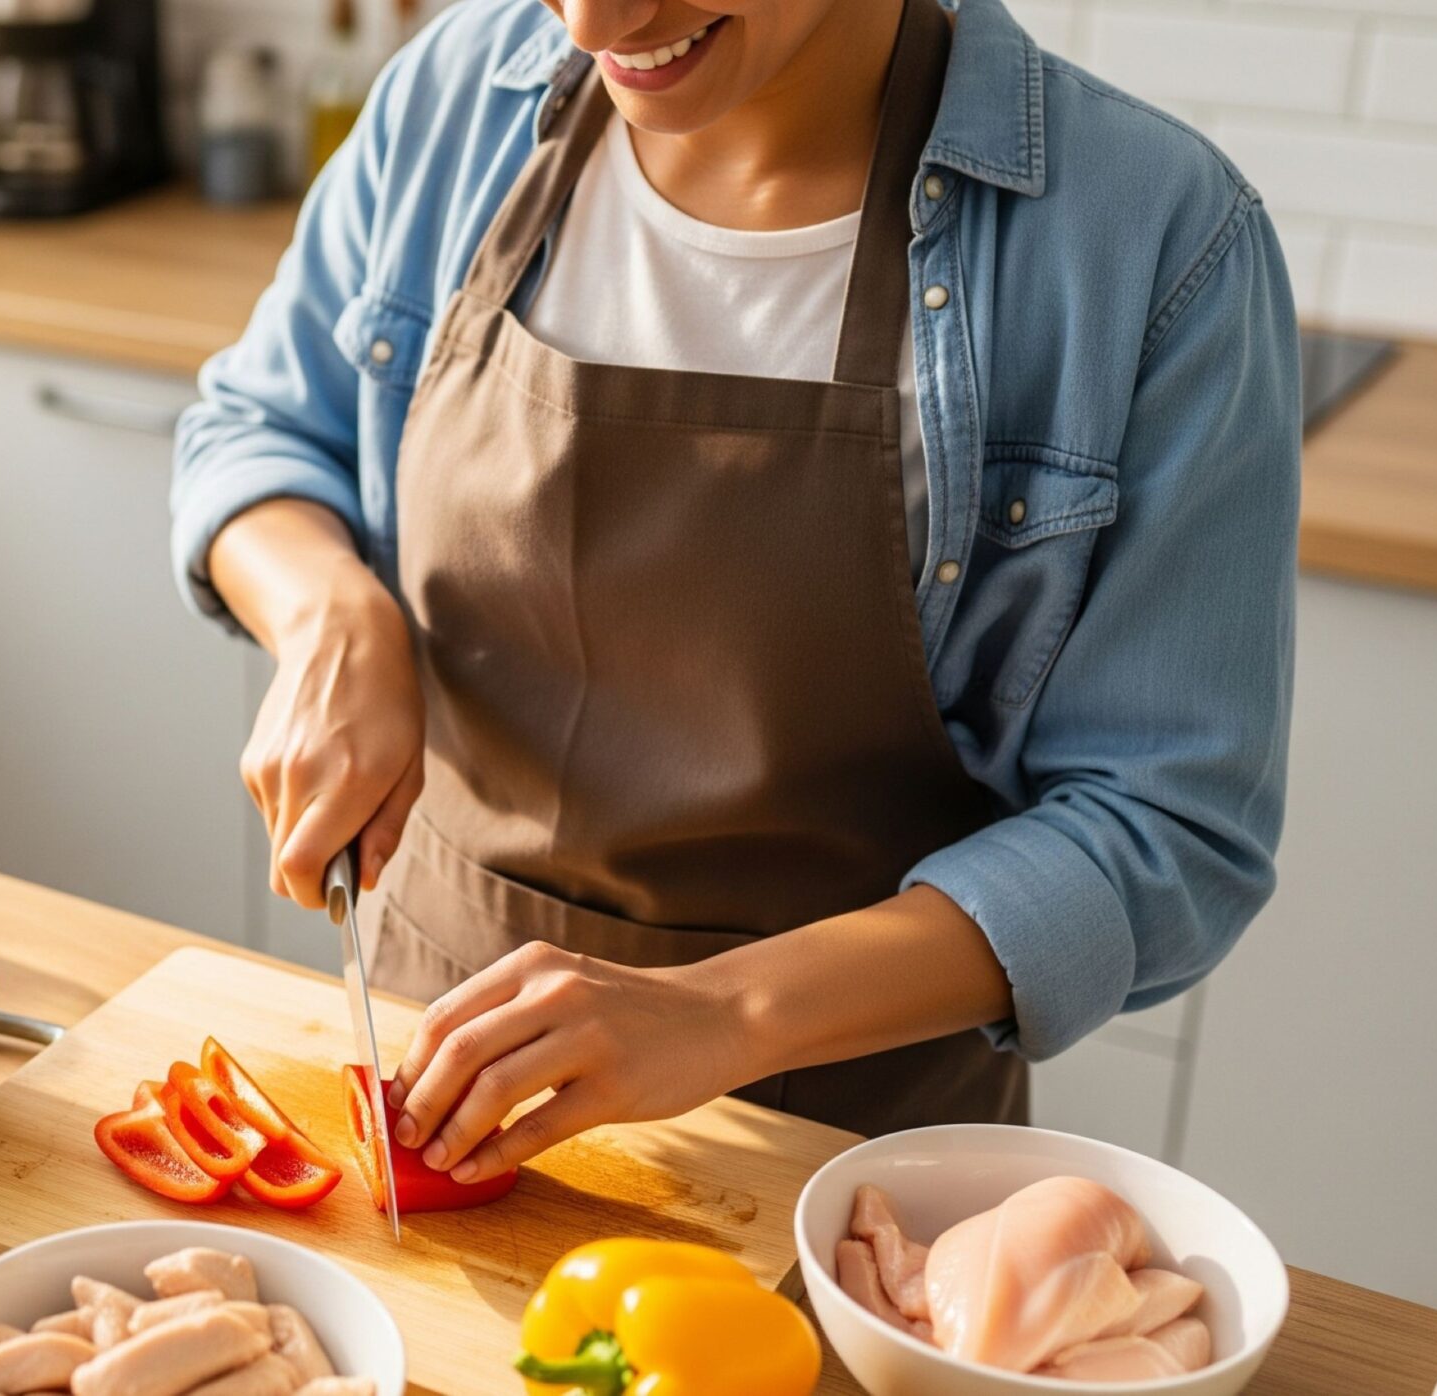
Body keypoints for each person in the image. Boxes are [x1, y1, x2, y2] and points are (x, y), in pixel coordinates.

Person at [170, 0, 1298, 1186]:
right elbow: (259, 428)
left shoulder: (1153, 237)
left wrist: (725, 1012)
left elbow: (1168, 829)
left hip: (850, 1161)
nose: (598, 20)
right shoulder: (459, 92)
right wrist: (329, 613)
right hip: (419, 1060)